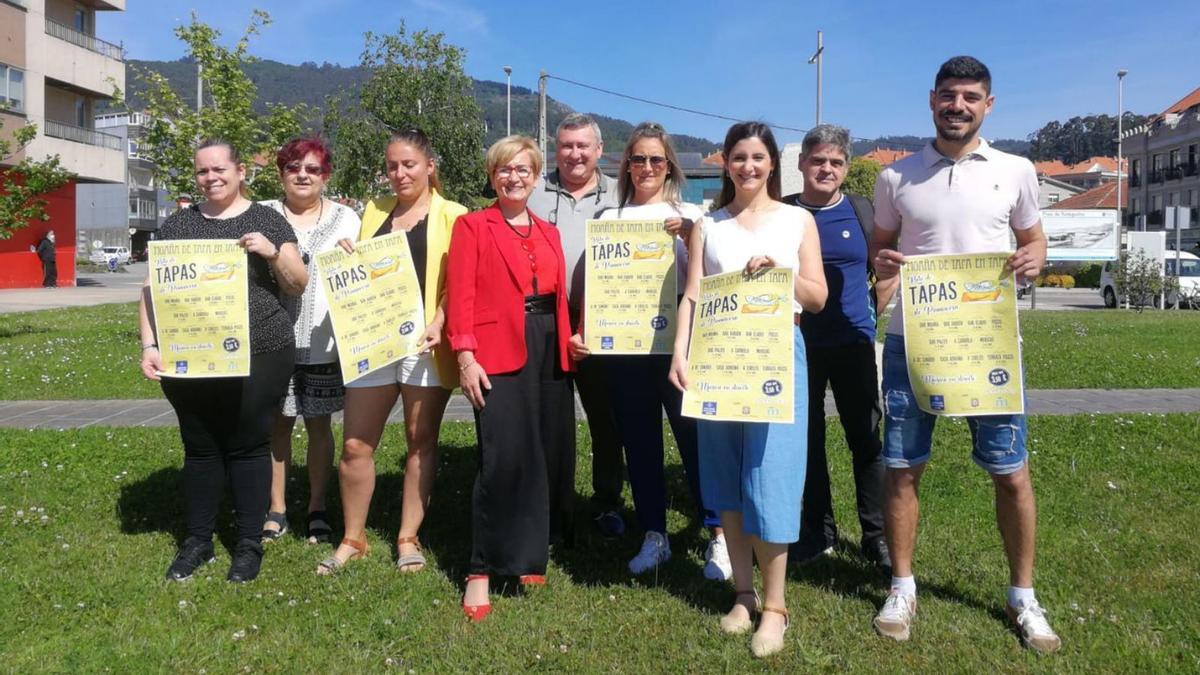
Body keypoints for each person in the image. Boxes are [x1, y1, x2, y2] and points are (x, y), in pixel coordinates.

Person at [869, 56, 1060, 653]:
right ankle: (902, 585)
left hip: (990, 345)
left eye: (970, 96)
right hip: (912, 343)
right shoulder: (896, 177)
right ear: (931, 100)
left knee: (1011, 473)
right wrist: (883, 271)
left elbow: (1033, 241)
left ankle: (1022, 595)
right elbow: (881, 248)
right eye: (949, 95)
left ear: (988, 105)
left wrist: (1035, 260)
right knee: (901, 469)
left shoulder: (1018, 169)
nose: (958, 105)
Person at [669, 121, 827, 658]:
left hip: (778, 359)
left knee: (772, 478)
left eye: (758, 157)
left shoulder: (798, 220)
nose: (748, 167)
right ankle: (742, 593)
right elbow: (691, 296)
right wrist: (679, 353)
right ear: (725, 163)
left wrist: (781, 269)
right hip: (717, 361)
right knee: (726, 479)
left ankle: (776, 607)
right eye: (739, 157)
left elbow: (819, 296)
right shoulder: (707, 225)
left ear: (771, 165)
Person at [138, 138, 308, 583]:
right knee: (200, 448)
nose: (211, 178)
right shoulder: (177, 225)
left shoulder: (266, 219)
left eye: (220, 170)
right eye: (202, 172)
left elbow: (298, 283)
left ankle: (248, 545)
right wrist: (149, 344)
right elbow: (151, 290)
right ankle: (198, 542)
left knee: (250, 444)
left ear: (240, 173)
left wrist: (271, 252)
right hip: (191, 355)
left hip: (262, 351)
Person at [316, 129, 466, 574]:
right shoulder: (372, 211)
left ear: (430, 167)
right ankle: (353, 537)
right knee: (357, 444)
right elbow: (360, 270)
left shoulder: (454, 215)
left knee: (420, 441)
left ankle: (407, 536)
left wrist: (442, 319)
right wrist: (349, 252)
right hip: (373, 342)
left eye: (409, 165)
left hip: (423, 344)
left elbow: (461, 280)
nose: (399, 174)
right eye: (392, 166)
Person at [586, 122, 729, 580]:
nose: (646, 167)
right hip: (626, 353)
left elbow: (710, 279)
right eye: (638, 159)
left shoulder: (691, 214)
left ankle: (718, 534)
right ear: (626, 165)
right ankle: (654, 535)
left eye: (656, 159)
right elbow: (599, 289)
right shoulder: (609, 221)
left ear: (669, 165)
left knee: (696, 443)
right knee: (640, 444)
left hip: (680, 349)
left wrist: (689, 236)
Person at [447, 135, 575, 622]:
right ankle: (480, 568)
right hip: (497, 348)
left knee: (545, 448)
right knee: (500, 455)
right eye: (504, 170)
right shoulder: (472, 226)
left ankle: (527, 553)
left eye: (523, 169)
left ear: (537, 175)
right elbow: (459, 294)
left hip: (549, 346)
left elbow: (559, 295)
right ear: (492, 175)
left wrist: (572, 340)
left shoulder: (549, 231)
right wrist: (465, 356)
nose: (514, 177)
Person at [781, 124, 889, 571]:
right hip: (797, 346)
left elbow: (886, 272)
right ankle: (817, 532)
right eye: (819, 160)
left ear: (845, 168)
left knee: (865, 439)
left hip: (854, 345)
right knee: (806, 443)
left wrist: (871, 320)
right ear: (803, 163)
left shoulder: (862, 213)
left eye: (836, 162)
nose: (826, 168)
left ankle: (877, 536)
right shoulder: (783, 214)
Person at [527, 113, 627, 538]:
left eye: (583, 145)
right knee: (545, 417)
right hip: (544, 319)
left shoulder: (623, 194)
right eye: (566, 145)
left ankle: (607, 504)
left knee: (607, 421)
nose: (574, 154)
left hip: (601, 320)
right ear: (555, 148)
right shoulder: (532, 189)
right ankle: (549, 504)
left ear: (600, 149)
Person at [259, 137, 361, 544]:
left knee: (320, 425)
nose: (303, 175)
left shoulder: (348, 218)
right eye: (293, 167)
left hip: (326, 343)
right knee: (277, 425)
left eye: (313, 169)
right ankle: (277, 507)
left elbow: (366, 272)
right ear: (281, 174)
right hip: (272, 340)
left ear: (326, 176)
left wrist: (357, 255)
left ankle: (317, 506)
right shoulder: (263, 214)